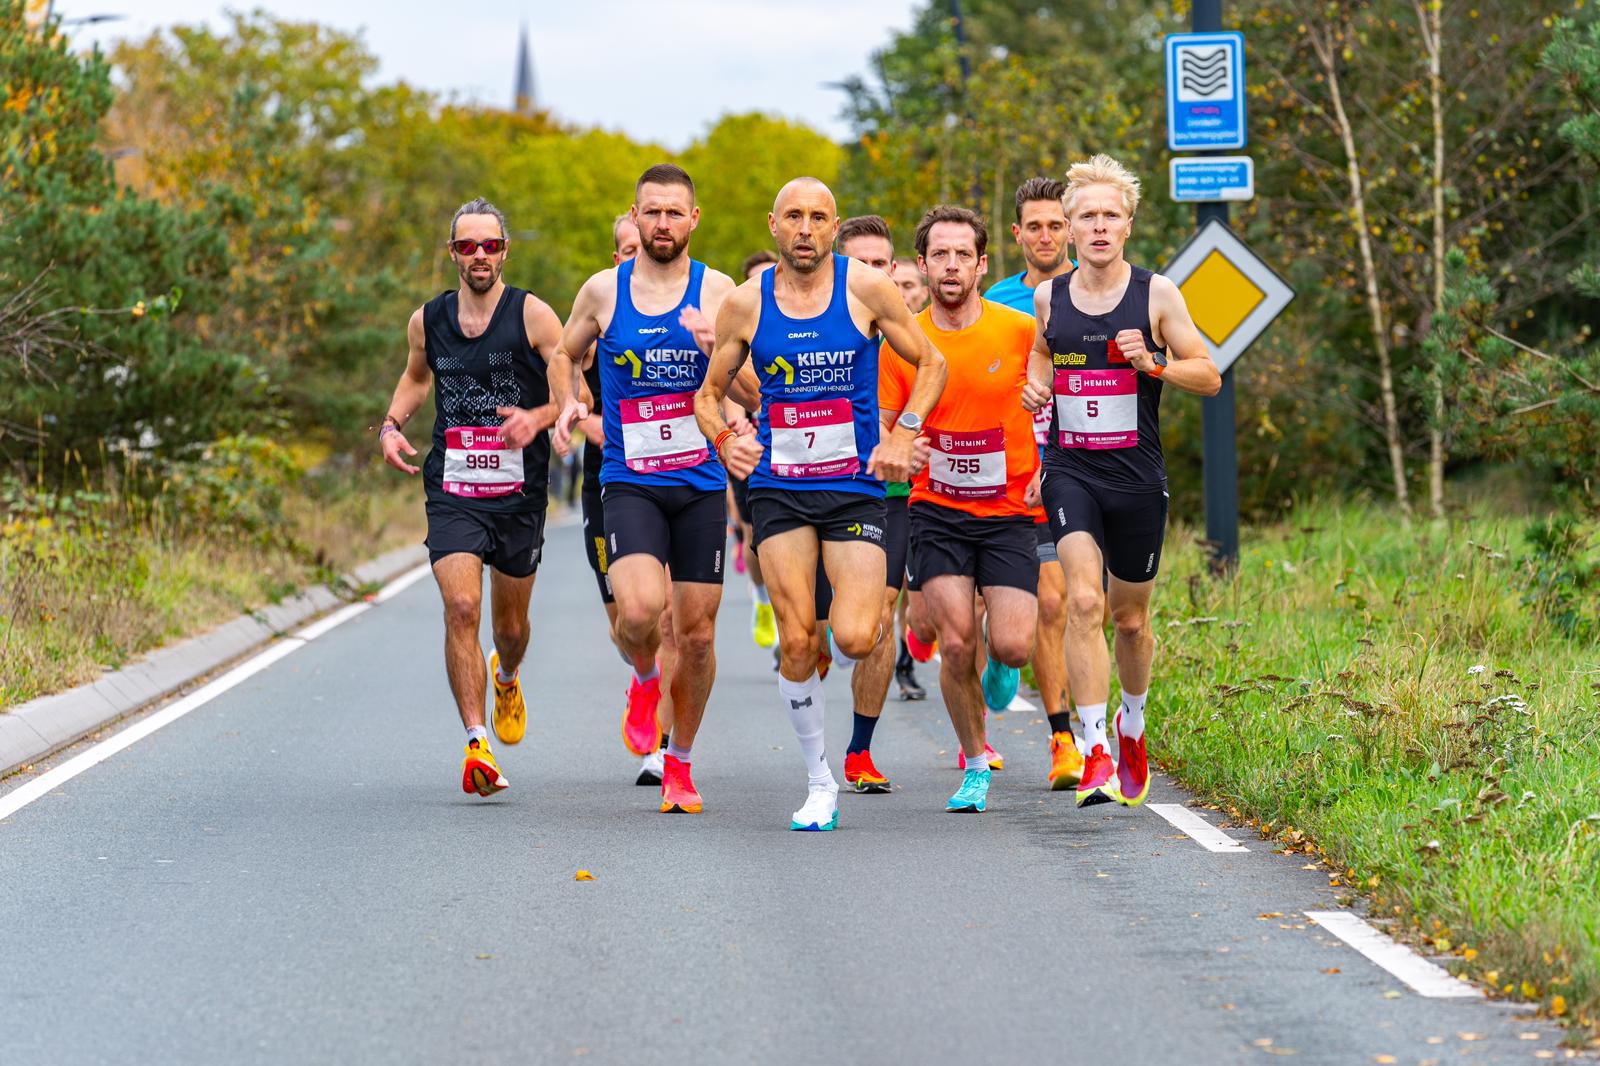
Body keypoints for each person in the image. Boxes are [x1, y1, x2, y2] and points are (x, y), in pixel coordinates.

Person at [694, 176, 946, 831]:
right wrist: (725, 440)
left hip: (854, 487)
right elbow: (707, 391)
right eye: (794, 217)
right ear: (772, 225)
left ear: (834, 229)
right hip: (779, 488)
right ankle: (819, 781)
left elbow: (932, 364)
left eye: (819, 218)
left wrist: (904, 434)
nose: (806, 229)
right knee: (798, 642)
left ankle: (832, 657)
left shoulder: (864, 288)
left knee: (858, 636)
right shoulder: (746, 306)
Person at [1022, 155, 1220, 807]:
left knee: (1132, 619)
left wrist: (1154, 365)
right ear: (1070, 231)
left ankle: (1132, 723)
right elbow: (1045, 356)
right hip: (1070, 472)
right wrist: (1037, 390)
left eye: (1111, 215)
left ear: (1128, 225)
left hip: (1136, 476)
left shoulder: (1156, 295)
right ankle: (1096, 745)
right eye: (1087, 217)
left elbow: (1209, 374)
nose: (1099, 226)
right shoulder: (1049, 296)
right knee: (1083, 601)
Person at [552, 164, 738, 814]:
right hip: (630, 479)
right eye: (650, 212)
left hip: (699, 483)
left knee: (699, 635)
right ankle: (643, 676)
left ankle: (680, 762)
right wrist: (569, 403)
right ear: (635, 217)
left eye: (673, 212)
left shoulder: (721, 292)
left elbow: (752, 388)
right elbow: (562, 353)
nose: (662, 223)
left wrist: (718, 350)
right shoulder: (605, 291)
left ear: (694, 219)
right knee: (637, 614)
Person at [379, 197, 563, 797]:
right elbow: (415, 375)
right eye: (466, 246)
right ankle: (476, 744)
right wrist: (391, 424)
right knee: (461, 607)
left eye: (489, 245)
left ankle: (506, 674)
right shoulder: (426, 320)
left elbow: (572, 391)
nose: (478, 256)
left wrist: (539, 419)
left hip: (518, 493)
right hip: (453, 489)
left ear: (505, 250)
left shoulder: (533, 315)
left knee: (510, 627)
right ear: (453, 253)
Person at [881, 205, 1039, 813]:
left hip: (1008, 511)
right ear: (922, 264)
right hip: (937, 510)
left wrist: (1048, 467)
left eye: (961, 255)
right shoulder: (906, 341)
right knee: (956, 638)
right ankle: (975, 763)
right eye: (938, 255)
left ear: (981, 264)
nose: (950, 266)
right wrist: (905, 446)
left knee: (1015, 646)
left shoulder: (1020, 332)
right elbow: (892, 425)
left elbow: (1054, 401)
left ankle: (1004, 666)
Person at [576, 214, 682, 788]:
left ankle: (661, 750)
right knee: (630, 621)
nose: (633, 256)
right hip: (611, 482)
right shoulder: (597, 318)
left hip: (682, 479)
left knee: (668, 618)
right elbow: (558, 367)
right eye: (624, 249)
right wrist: (581, 416)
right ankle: (642, 676)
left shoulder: (685, 312)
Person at [985, 177, 1084, 791]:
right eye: (1035, 226)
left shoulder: (1100, 292)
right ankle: (1057, 731)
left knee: (1069, 605)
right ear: (1017, 233)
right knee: (1028, 609)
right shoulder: (995, 300)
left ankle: (1070, 734)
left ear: (1070, 229)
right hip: (1004, 473)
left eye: (1056, 225)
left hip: (1074, 469)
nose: (1046, 236)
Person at [828, 214, 924, 794]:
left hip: (889, 498)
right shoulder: (809, 321)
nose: (870, 273)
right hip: (806, 494)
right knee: (815, 637)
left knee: (879, 618)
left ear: (895, 270)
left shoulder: (913, 335)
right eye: (857, 262)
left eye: (880, 264)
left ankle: (859, 750)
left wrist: (914, 437)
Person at [734, 250, 780, 657]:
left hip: (798, 441)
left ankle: (797, 619)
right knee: (755, 537)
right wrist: (737, 424)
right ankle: (764, 599)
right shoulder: (739, 321)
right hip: (750, 445)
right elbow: (722, 379)